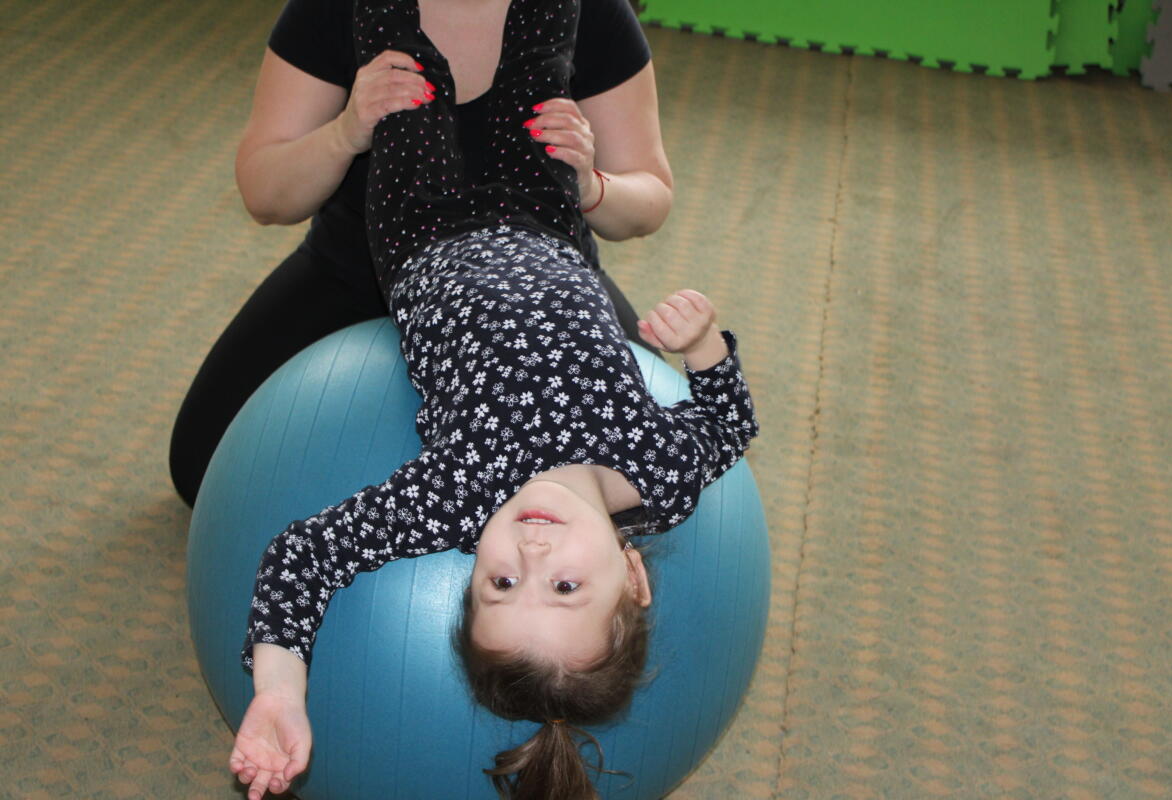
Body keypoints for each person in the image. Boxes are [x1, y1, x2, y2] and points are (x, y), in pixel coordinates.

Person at [228, 0, 758, 798]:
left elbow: (304, 557)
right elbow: (728, 420)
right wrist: (706, 346)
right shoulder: (659, 471)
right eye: (565, 589)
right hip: (546, 220)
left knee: (402, 68)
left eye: (500, 586)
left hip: (420, 228)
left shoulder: (459, 495)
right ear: (633, 575)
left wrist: (279, 692)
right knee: (543, 52)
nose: (530, 558)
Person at [168, 0, 673, 507]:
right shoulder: (335, 9)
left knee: (658, 476)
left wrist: (591, 184)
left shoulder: (592, 10)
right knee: (200, 465)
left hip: (540, 286)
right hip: (361, 274)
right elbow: (265, 194)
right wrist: (344, 133)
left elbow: (649, 200)